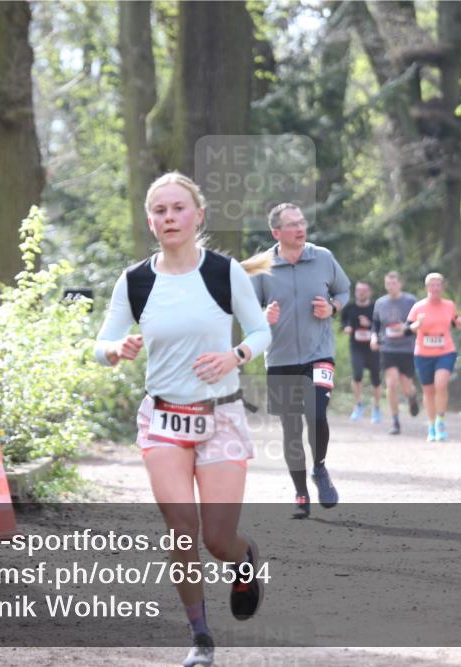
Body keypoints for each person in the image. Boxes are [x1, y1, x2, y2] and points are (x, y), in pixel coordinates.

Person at [93, 173, 272, 667]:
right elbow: (100, 342)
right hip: (163, 419)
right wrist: (116, 348)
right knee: (181, 529)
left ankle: (244, 558)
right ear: (150, 221)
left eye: (178, 208)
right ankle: (200, 636)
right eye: (160, 211)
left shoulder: (223, 272)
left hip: (220, 416)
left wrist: (234, 355)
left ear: (198, 215)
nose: (169, 218)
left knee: (217, 539)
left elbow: (260, 332)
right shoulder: (136, 281)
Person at [251, 203, 350, 519]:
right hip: (280, 359)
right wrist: (263, 316)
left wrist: (333, 308)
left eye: (302, 221)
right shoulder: (261, 266)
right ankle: (300, 492)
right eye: (292, 224)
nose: (300, 227)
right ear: (276, 232)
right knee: (291, 429)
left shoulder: (323, 257)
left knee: (317, 414)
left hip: (319, 353)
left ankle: (319, 468)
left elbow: (344, 290)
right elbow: (246, 309)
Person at [407, 272, 461, 442]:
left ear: (442, 287)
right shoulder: (418, 307)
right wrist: (418, 324)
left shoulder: (449, 305)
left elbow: (456, 322)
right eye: (432, 285)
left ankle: (441, 421)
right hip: (423, 353)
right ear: (427, 288)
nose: (435, 288)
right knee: (428, 390)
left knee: (441, 384)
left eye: (438, 285)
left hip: (445, 351)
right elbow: (408, 328)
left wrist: (460, 321)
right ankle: (431, 426)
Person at [370, 271, 420, 435]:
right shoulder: (380, 303)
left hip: (406, 348)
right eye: (388, 283)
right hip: (388, 348)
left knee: (406, 387)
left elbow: (417, 324)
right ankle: (395, 421)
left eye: (394, 283)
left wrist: (404, 328)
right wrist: (373, 338)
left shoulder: (410, 301)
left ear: (400, 284)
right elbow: (375, 326)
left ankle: (412, 397)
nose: (390, 286)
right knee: (391, 383)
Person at [341, 281, 382, 423]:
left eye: (364, 290)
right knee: (357, 375)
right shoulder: (349, 308)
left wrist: (369, 325)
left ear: (369, 292)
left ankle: (376, 408)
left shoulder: (376, 308)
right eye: (358, 290)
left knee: (375, 379)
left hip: (373, 348)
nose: (361, 293)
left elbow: (381, 326)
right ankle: (358, 405)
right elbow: (343, 322)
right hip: (356, 347)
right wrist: (346, 328)